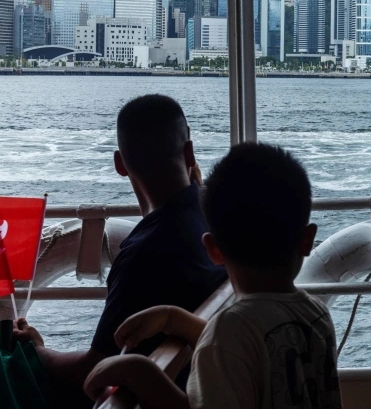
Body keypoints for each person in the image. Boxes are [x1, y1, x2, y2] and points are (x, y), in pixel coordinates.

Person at [0, 94, 228, 409]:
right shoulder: (213, 217)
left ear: (120, 164)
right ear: (189, 151)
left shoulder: (144, 253)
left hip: (129, 398)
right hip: (181, 379)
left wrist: (37, 352)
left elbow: (95, 369)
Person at [83, 142, 341, 409]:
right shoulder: (317, 315)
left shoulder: (226, 334)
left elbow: (237, 342)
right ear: (308, 240)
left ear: (213, 250)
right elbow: (263, 344)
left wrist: (141, 373)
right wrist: (174, 318)